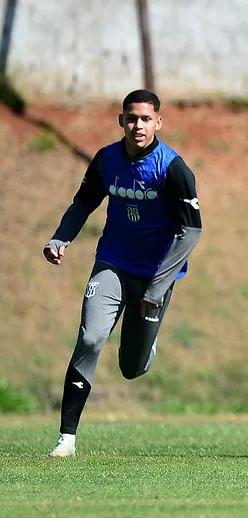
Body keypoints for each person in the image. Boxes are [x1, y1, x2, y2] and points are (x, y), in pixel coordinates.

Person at [43, 89, 203, 457]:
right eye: (132, 118)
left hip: (155, 276)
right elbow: (84, 201)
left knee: (131, 367)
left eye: (146, 119)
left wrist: (159, 286)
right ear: (121, 121)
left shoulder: (172, 169)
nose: (138, 126)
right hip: (112, 264)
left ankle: (146, 344)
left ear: (158, 122)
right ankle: (66, 439)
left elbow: (191, 231)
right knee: (90, 339)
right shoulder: (106, 160)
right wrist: (60, 238)